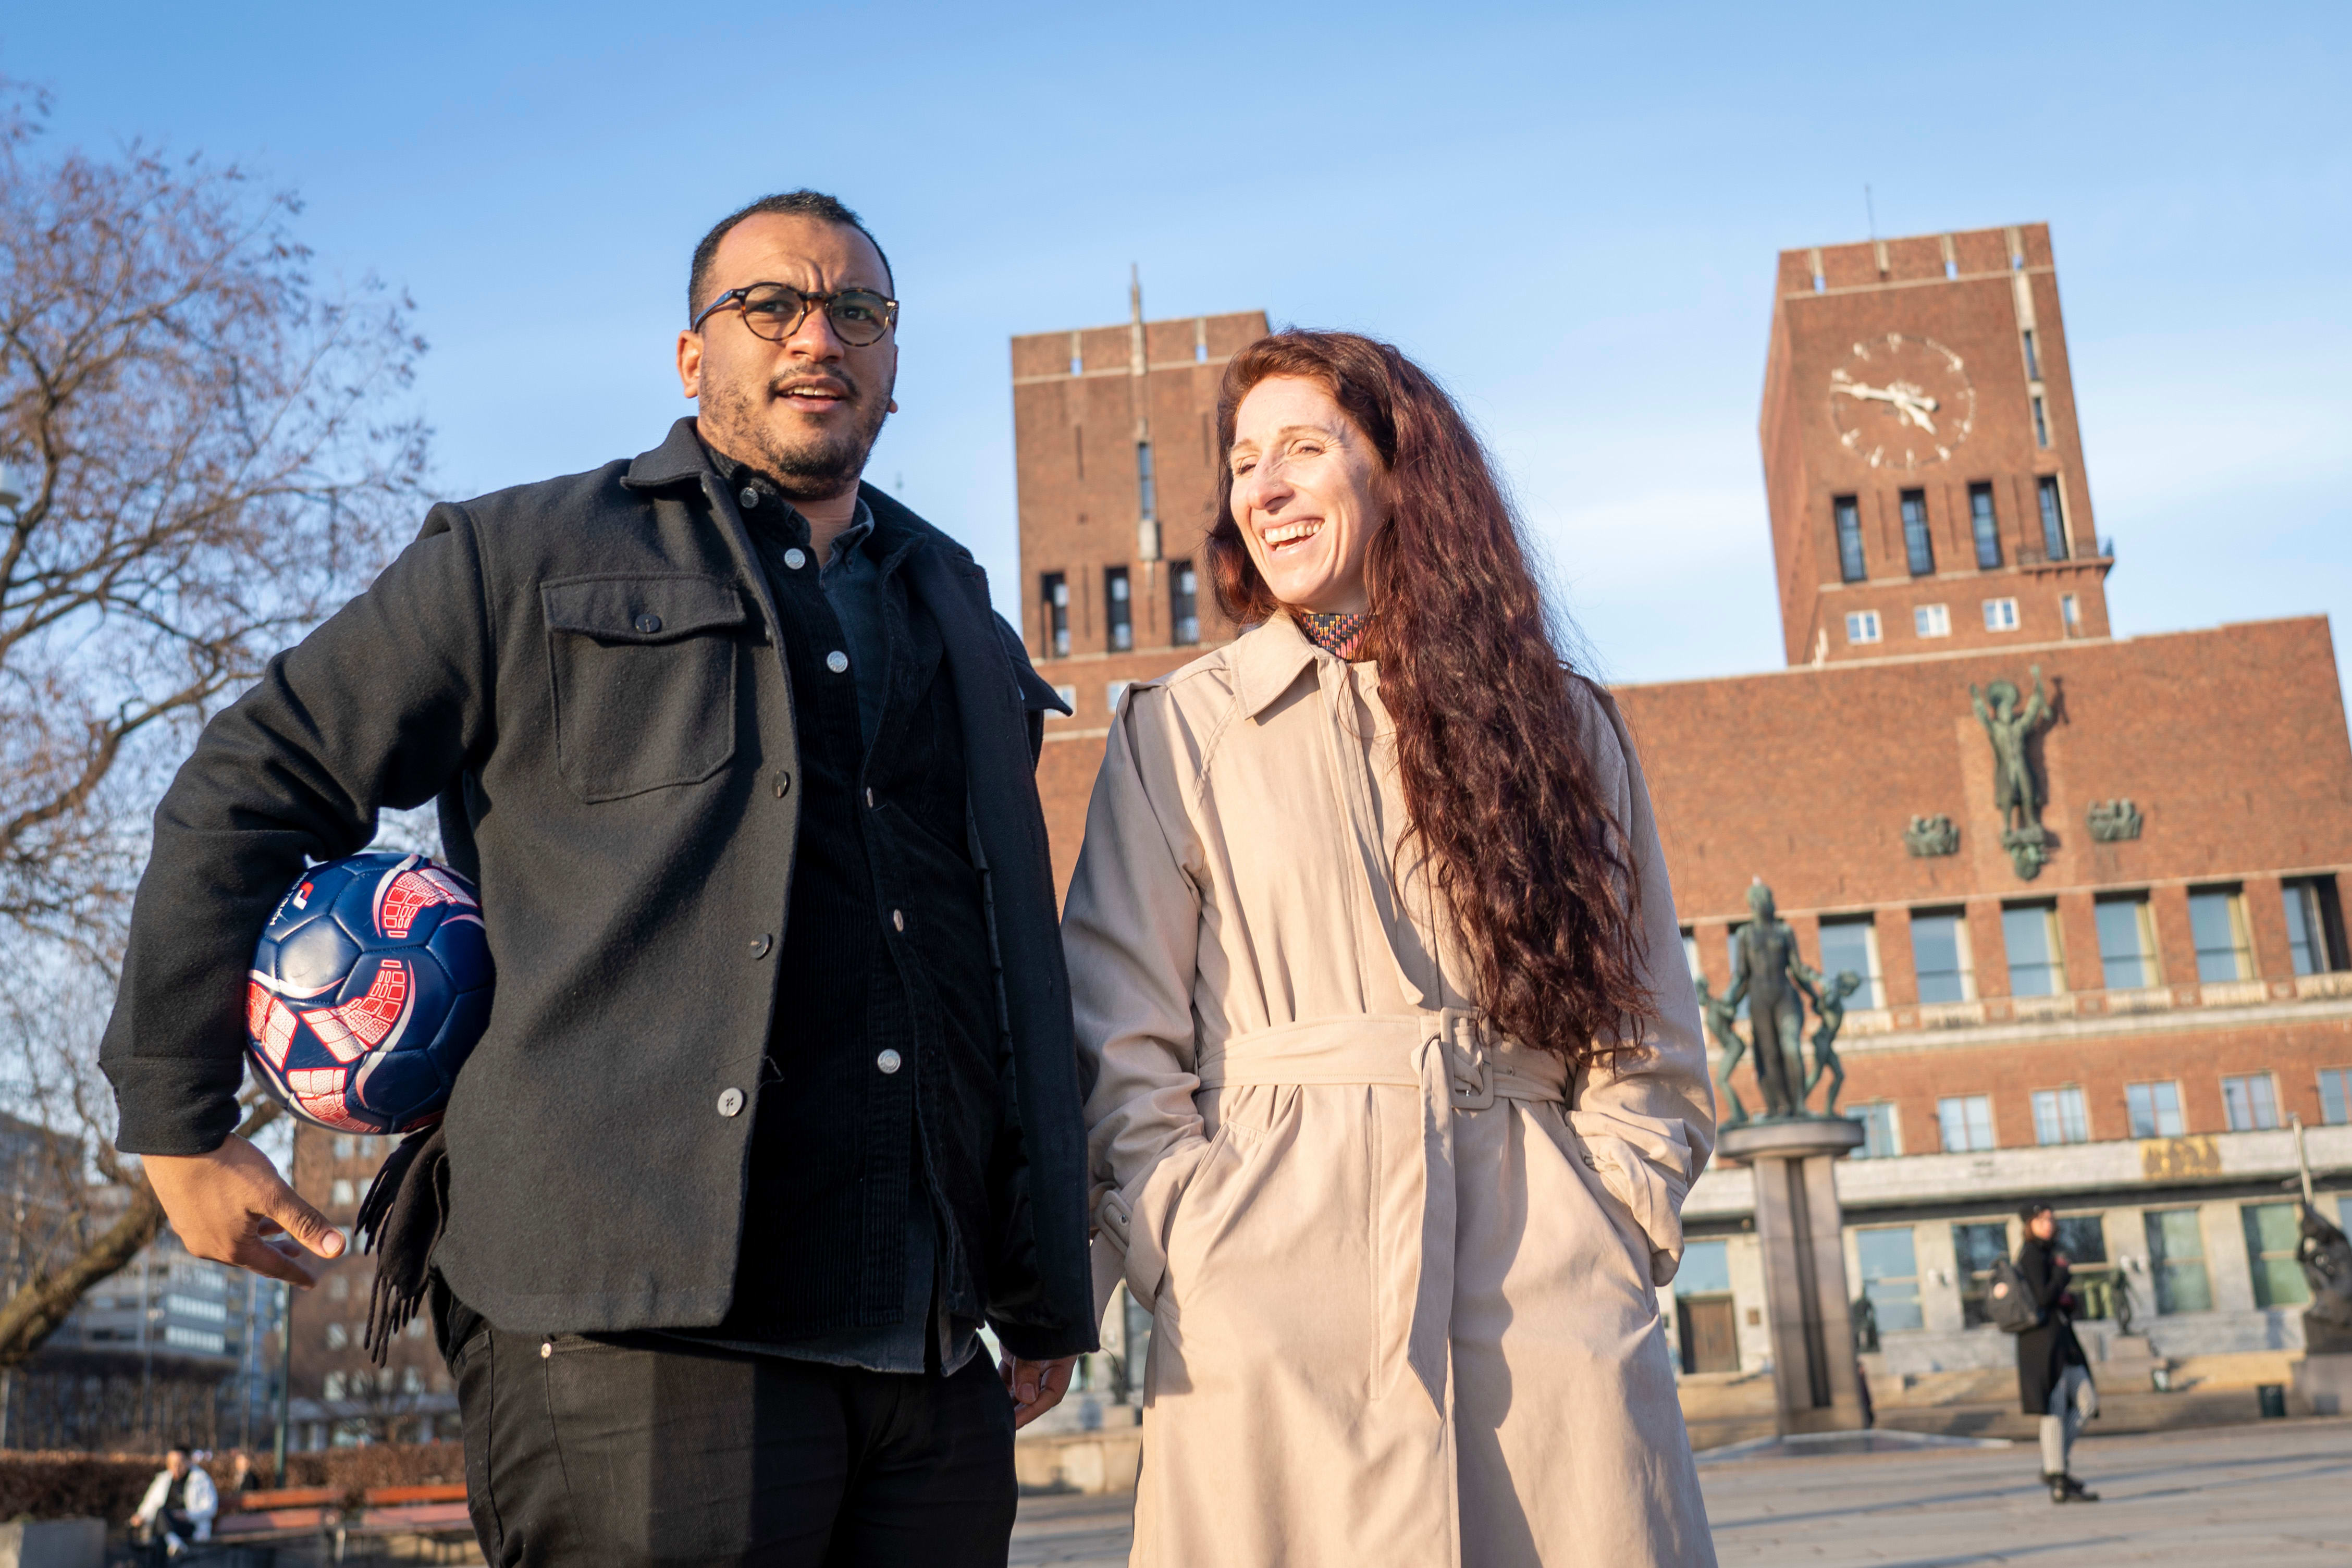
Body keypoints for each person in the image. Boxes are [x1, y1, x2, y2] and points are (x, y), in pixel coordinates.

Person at [99, 190, 1095, 1566]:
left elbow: (1003, 958)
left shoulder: (960, 608)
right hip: (633, 1341)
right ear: (693, 356)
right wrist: (178, 1120)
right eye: (770, 305)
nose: (818, 337)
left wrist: (1041, 1279)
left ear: (891, 360)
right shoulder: (524, 558)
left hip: (927, 1349)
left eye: (857, 311)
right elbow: (250, 777)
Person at [1065, 330, 1717, 1566]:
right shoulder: (1179, 731)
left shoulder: (1563, 725)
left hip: (1545, 1288)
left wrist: (1614, 1233)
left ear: (1399, 468)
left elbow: (1644, 1028)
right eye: (1242, 461)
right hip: (1268, 1297)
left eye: (1301, 449)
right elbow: (1114, 1039)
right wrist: (1194, 1248)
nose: (1262, 487)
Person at [2016, 1201, 2099, 1502]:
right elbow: (2043, 1296)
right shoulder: (2030, 1255)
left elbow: (2055, 1298)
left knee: (2087, 1401)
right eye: (2041, 1220)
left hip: (2063, 1342)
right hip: (2043, 1344)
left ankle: (2054, 1467)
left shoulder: (2050, 1254)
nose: (2049, 1224)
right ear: (2029, 1224)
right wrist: (2063, 1274)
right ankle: (2057, 1476)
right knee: (2054, 1409)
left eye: (2051, 1219)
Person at [131, 1445, 217, 1562]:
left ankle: (172, 1544)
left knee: (160, 1527)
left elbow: (211, 1508)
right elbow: (150, 1502)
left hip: (188, 1525)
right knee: (160, 1521)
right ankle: (174, 1543)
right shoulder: (163, 1479)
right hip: (165, 1523)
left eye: (179, 1463)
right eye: (171, 1463)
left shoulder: (201, 1479)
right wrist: (141, 1516)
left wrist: (187, 1515)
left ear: (188, 1461)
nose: (175, 1467)